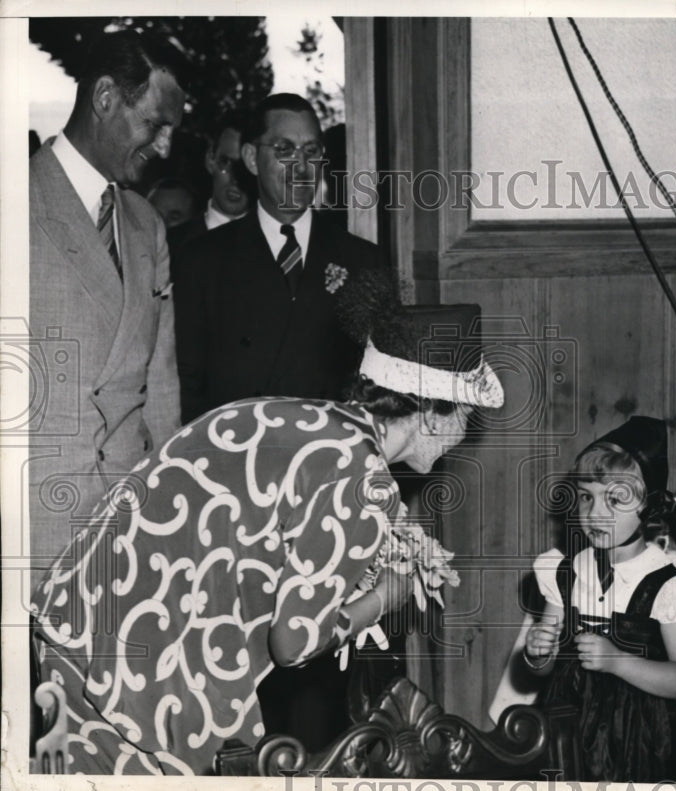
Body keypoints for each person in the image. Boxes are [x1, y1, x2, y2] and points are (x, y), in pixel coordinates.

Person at [30, 300, 505, 775]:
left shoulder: (315, 419)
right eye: (468, 414)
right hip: (135, 672)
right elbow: (294, 642)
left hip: (77, 624)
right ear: (433, 414)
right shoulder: (366, 480)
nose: (462, 434)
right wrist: (387, 597)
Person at [28, 30, 185, 588]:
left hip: (128, 531)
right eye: (154, 124)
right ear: (104, 99)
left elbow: (161, 392)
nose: (165, 147)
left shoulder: (147, 225)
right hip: (33, 532)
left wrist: (169, 519)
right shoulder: (15, 201)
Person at [523, 416, 676, 782]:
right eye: (587, 497)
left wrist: (617, 661)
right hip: (570, 731)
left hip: (644, 742)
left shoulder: (666, 584)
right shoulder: (565, 572)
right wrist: (537, 652)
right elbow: (543, 669)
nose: (595, 514)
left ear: (650, 507)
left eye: (614, 500)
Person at [173, 93, 383, 425]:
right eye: (284, 150)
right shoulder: (203, 260)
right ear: (252, 158)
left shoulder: (362, 260)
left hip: (330, 458)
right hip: (236, 456)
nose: (301, 167)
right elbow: (186, 383)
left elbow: (380, 390)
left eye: (311, 152)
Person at [167, 111, 251, 261]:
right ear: (210, 161)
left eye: (243, 168)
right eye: (225, 162)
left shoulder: (275, 248)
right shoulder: (170, 247)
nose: (235, 179)